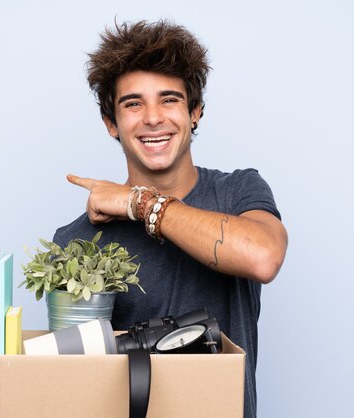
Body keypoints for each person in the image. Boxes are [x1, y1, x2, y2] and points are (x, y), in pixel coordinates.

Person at [53, 19, 288, 418]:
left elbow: (263, 257)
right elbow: (76, 382)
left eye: (169, 100)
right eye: (132, 104)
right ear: (112, 123)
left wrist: (139, 204)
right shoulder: (77, 242)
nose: (153, 118)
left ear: (195, 112)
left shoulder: (237, 193)